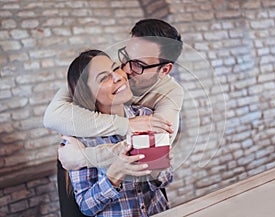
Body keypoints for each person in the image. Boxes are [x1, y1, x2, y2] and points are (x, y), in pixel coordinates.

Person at [43, 19, 184, 170]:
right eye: (126, 56)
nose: (125, 70)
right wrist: (126, 125)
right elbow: (52, 117)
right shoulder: (110, 66)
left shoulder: (171, 93)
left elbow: (154, 148)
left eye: (139, 65)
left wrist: (84, 157)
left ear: (164, 70)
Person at [65, 49, 173, 216]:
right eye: (103, 78)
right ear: (87, 94)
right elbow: (86, 207)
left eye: (115, 68)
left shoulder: (146, 116)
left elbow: (167, 178)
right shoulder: (80, 138)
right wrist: (115, 174)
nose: (118, 77)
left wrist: (156, 169)